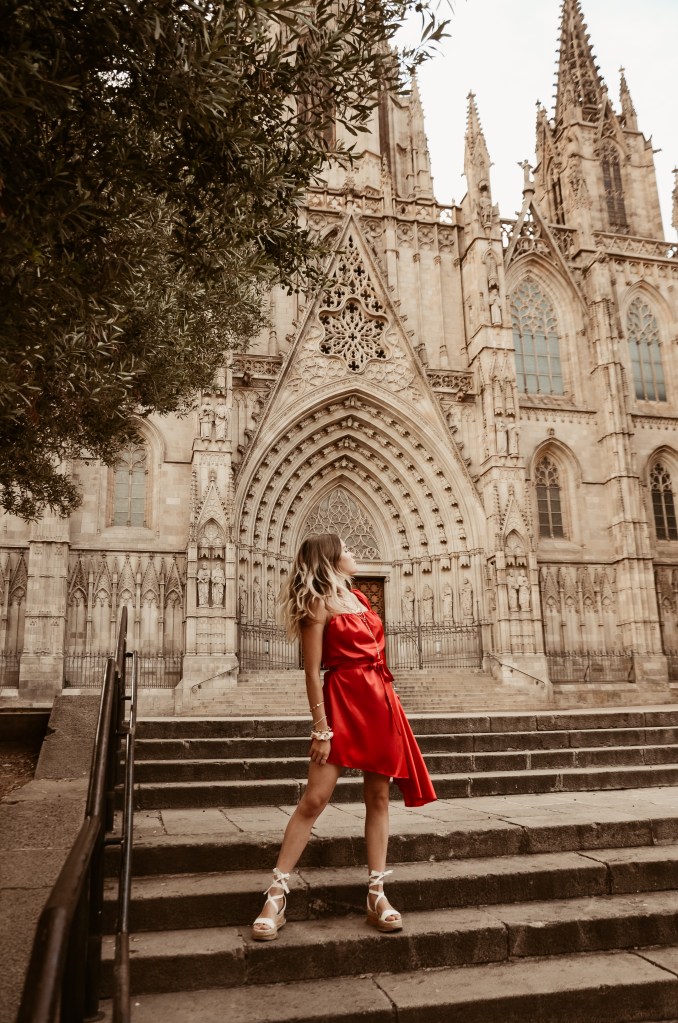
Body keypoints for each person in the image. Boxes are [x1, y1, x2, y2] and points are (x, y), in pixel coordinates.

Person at [251, 533, 436, 942]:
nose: (353, 553)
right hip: (342, 703)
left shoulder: (361, 599)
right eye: (346, 550)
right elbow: (312, 672)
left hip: (379, 703)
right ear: (330, 559)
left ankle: (377, 894)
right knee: (314, 800)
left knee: (379, 798)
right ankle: (276, 895)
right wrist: (321, 728)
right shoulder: (317, 604)